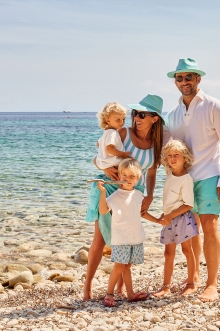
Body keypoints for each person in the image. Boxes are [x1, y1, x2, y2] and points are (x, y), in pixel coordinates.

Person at [163, 58, 220, 302]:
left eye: (188, 77)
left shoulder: (214, 106)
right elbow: (163, 146)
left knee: (209, 227)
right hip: (183, 181)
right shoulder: (172, 114)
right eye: (180, 78)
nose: (184, 82)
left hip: (209, 176)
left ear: (198, 79)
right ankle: (192, 280)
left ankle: (212, 284)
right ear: (176, 81)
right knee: (190, 232)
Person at [83, 94, 164, 301]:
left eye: (142, 114)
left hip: (136, 192)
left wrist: (150, 196)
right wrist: (105, 167)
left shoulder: (157, 142)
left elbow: (152, 172)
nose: (136, 117)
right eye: (135, 113)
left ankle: (119, 289)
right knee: (101, 240)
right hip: (112, 188)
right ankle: (88, 287)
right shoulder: (122, 132)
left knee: (127, 236)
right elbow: (98, 155)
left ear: (154, 118)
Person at [143, 140, 199, 297]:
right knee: (168, 254)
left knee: (187, 250)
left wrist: (170, 215)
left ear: (185, 157)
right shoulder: (169, 174)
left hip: (181, 218)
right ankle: (165, 286)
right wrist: (164, 214)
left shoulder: (186, 178)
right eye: (169, 156)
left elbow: (188, 204)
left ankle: (191, 283)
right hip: (169, 218)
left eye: (177, 155)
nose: (173, 158)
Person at [97, 159, 150, 306]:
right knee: (119, 266)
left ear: (138, 178)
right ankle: (109, 294)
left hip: (134, 237)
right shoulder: (115, 196)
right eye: (124, 175)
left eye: (132, 176)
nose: (127, 179)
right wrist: (102, 193)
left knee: (127, 266)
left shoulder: (138, 195)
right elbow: (103, 210)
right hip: (120, 238)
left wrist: (159, 221)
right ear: (119, 176)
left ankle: (131, 293)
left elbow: (142, 213)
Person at [95, 102, 132, 170]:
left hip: (105, 164)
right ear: (108, 120)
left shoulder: (106, 133)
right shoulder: (113, 133)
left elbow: (98, 143)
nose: (122, 122)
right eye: (118, 120)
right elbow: (109, 148)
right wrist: (123, 155)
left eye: (123, 119)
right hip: (114, 164)